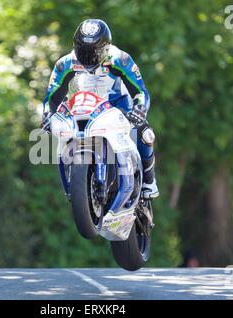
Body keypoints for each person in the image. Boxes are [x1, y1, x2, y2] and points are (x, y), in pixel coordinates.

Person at [41, 19, 159, 199]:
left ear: (106, 48)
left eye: (93, 52)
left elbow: (141, 91)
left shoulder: (120, 59)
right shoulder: (64, 64)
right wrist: (47, 115)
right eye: (83, 51)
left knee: (143, 131)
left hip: (118, 105)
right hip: (81, 107)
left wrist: (140, 109)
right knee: (62, 134)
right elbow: (52, 97)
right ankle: (74, 182)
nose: (88, 58)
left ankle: (149, 181)